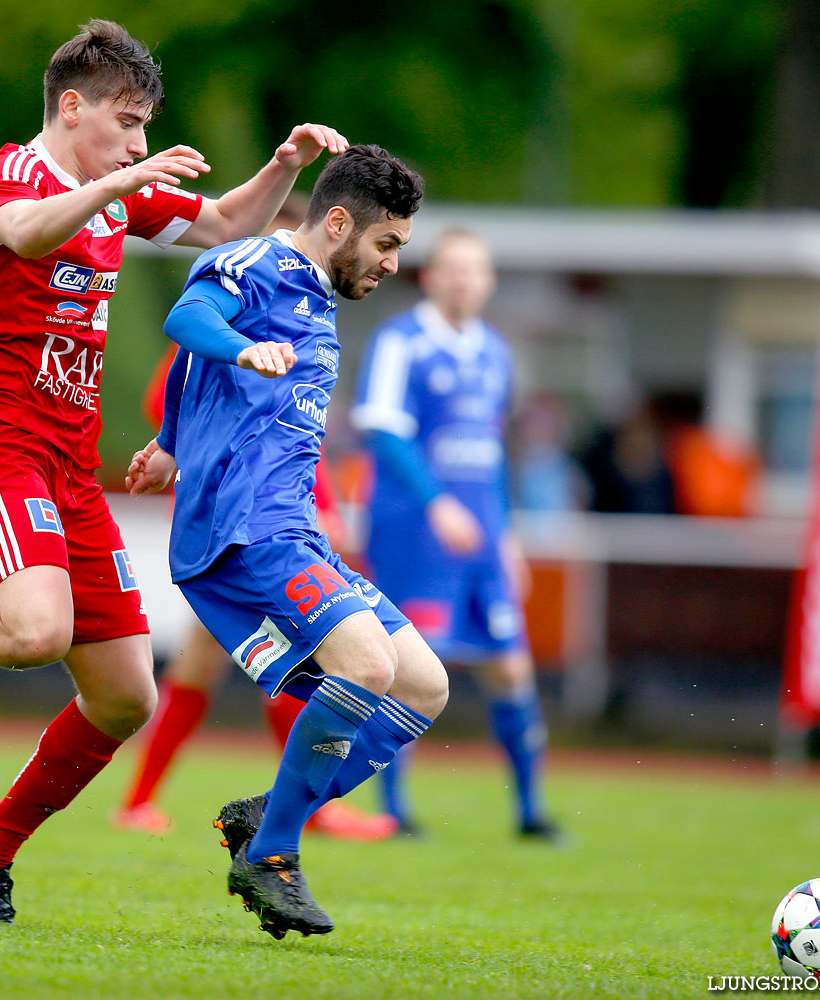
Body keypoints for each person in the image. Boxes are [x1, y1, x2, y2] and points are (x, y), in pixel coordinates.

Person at [0, 18, 348, 924]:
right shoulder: (17, 173)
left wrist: (283, 164)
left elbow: (222, 222)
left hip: (67, 464)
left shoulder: (108, 190)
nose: (138, 143)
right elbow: (20, 236)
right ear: (71, 106)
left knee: (125, 695)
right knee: (32, 633)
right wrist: (126, 180)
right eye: (126, 123)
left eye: (142, 129)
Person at [125, 144, 444, 939]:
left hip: (292, 529)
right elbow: (186, 320)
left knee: (423, 685)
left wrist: (169, 441)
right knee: (364, 666)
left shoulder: (316, 295)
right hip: (246, 531)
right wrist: (238, 349)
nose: (393, 263)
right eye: (386, 244)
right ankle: (271, 855)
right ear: (337, 223)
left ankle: (266, 817)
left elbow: (195, 384)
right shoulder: (258, 260)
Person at [114, 342, 395, 841]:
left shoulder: (302, 323)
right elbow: (165, 401)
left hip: (278, 526)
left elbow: (302, 441)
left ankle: (139, 802)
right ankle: (305, 809)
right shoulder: (234, 313)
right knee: (300, 658)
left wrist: (321, 509)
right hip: (239, 528)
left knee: (221, 663)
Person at [350, 229, 559, 841]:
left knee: (510, 668)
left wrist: (508, 534)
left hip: (483, 540)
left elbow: (491, 453)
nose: (466, 280)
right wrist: (436, 503)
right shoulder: (402, 342)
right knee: (410, 669)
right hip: (414, 535)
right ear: (431, 277)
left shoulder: (495, 351)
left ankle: (529, 811)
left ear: (489, 281)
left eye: (477, 270)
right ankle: (393, 807)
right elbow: (383, 431)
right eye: (454, 269)